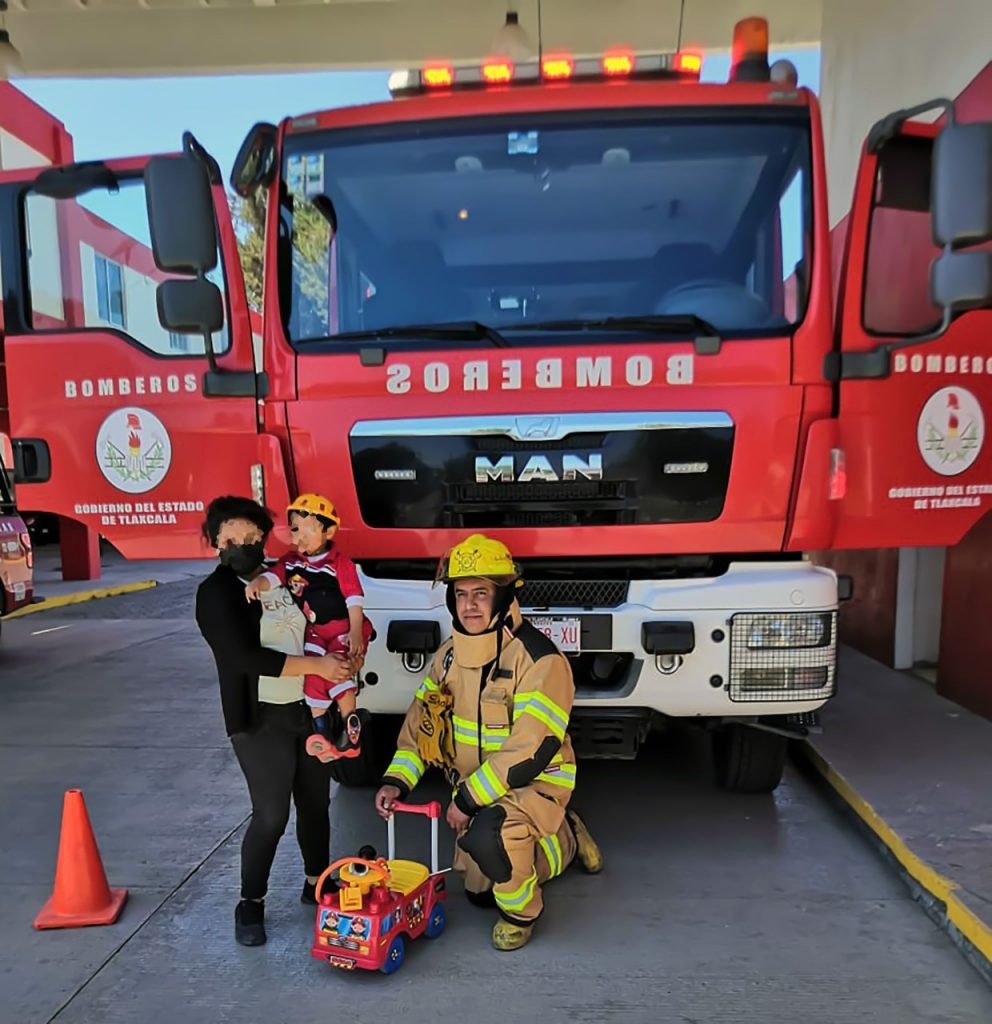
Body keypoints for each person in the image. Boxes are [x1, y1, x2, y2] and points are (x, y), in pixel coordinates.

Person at [374, 533, 603, 952]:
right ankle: (564, 838)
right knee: (479, 892)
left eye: (482, 593)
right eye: (460, 594)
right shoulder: (447, 658)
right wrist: (396, 781)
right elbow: (420, 729)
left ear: (505, 596)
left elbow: (529, 751)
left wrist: (466, 802)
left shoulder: (539, 659)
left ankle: (522, 914)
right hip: (480, 794)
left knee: (492, 839)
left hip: (534, 786)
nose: (469, 605)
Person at [195, 495, 360, 948]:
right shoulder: (215, 593)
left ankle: (317, 882)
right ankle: (250, 903)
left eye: (252, 537)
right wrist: (318, 668)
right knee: (271, 815)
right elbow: (242, 657)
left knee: (315, 804)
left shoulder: (285, 575)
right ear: (214, 541)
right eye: (232, 537)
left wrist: (346, 648)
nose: (243, 544)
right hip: (259, 719)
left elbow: (324, 614)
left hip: (308, 710)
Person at [245, 493, 372, 761]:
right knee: (313, 674)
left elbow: (354, 598)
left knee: (339, 670)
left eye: (308, 529)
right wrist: (258, 584)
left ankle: (350, 728)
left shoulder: (339, 563)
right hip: (315, 632)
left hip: (342, 629)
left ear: (329, 531)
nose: (299, 536)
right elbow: (273, 576)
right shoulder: (291, 562)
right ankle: (322, 733)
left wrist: (355, 631)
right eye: (295, 529)